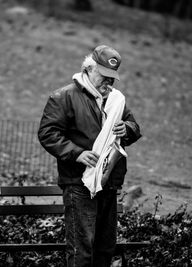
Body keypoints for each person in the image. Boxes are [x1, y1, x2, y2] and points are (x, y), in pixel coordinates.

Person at [38, 45, 142, 267]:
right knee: (81, 250)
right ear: (88, 68)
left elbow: (134, 126)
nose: (108, 82)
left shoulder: (116, 99)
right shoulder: (63, 97)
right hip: (78, 184)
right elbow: (48, 134)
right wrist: (77, 154)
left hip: (108, 182)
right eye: (104, 76)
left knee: (104, 249)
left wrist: (128, 130)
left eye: (112, 78)